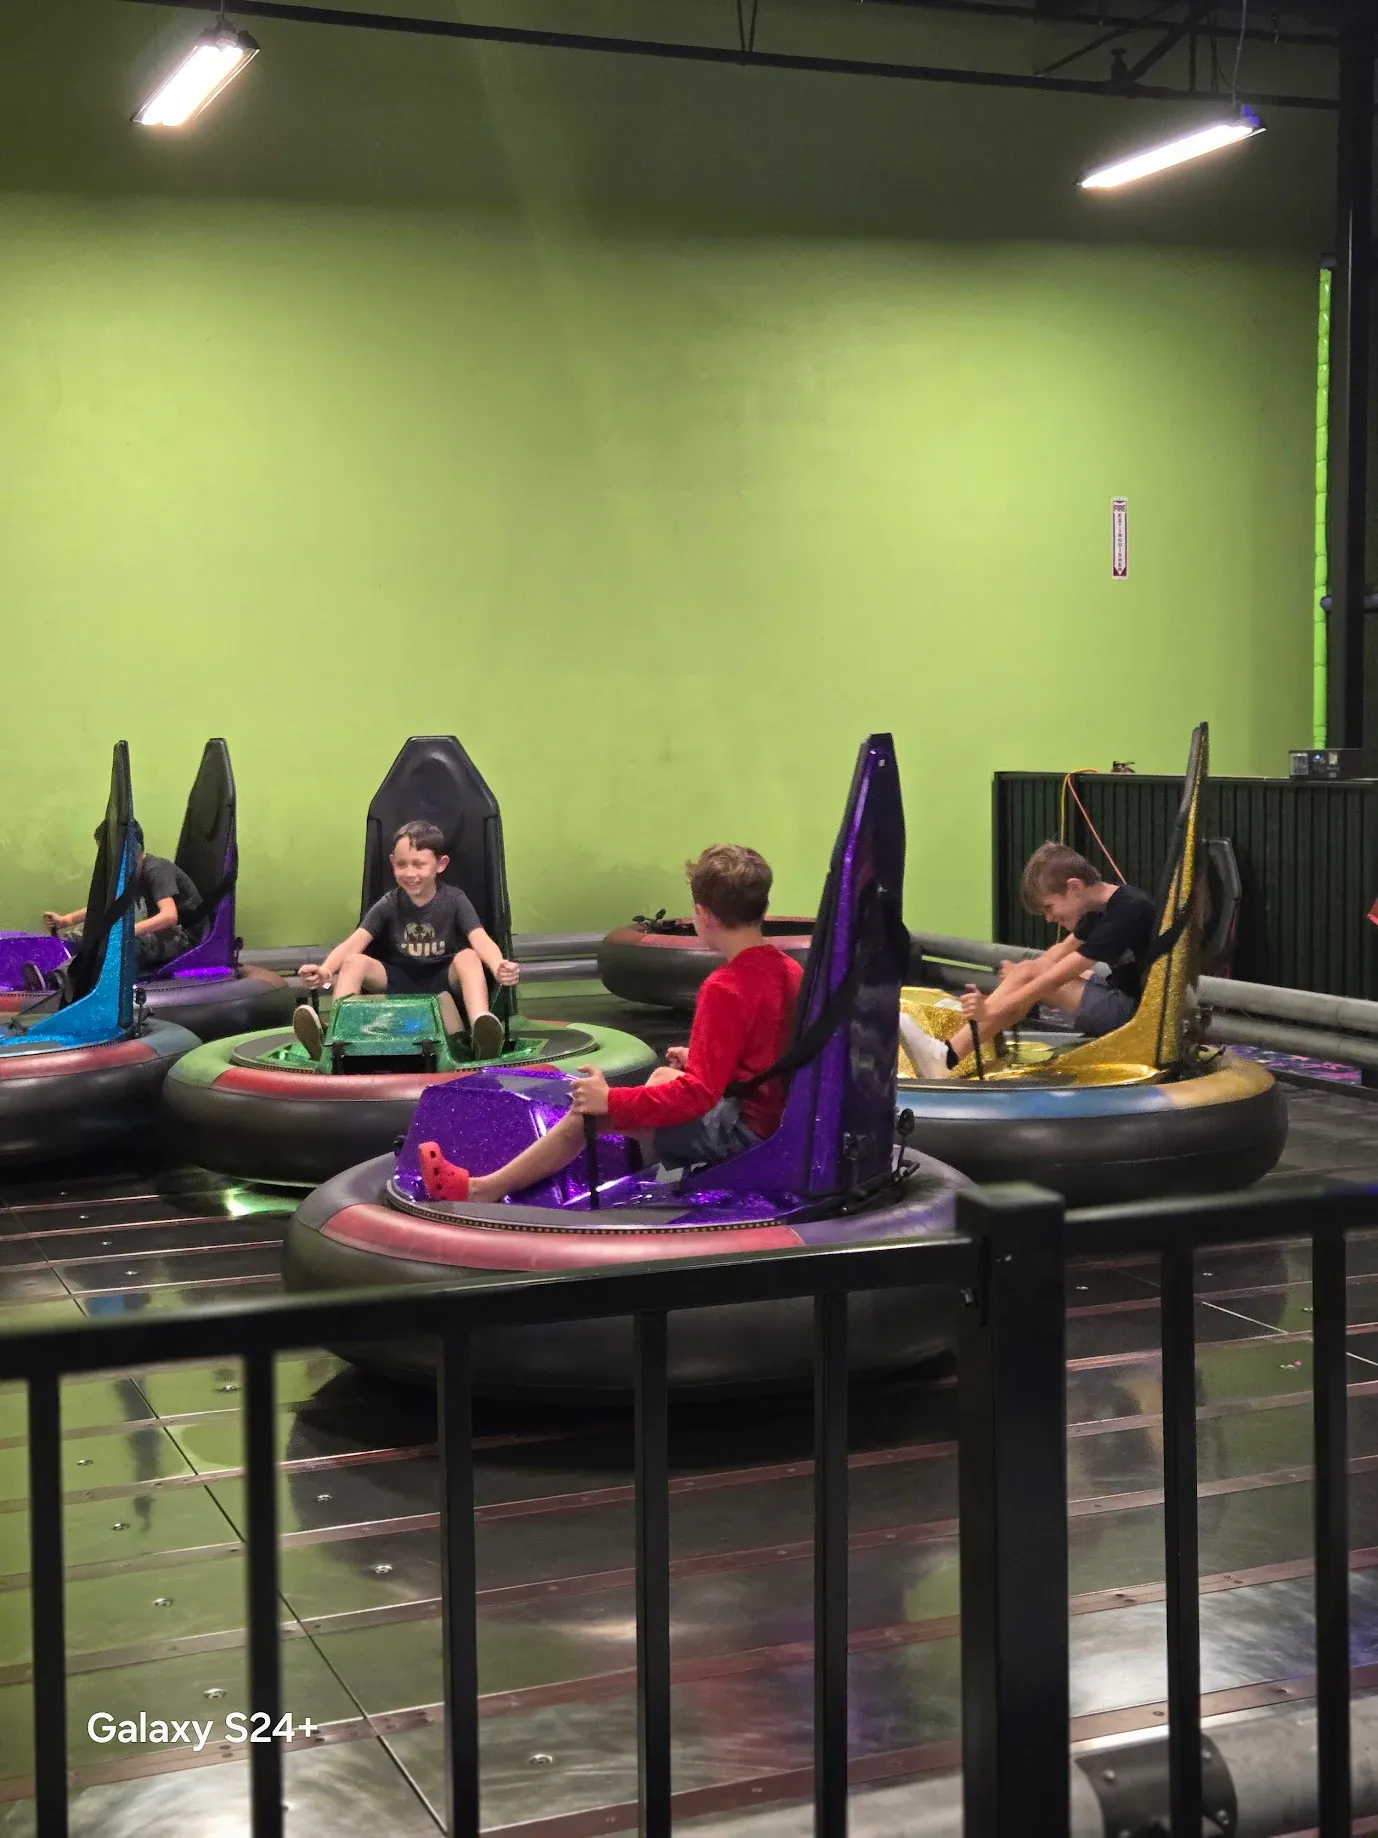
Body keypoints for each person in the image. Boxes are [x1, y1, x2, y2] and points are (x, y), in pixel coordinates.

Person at [418, 843, 802, 1203]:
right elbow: (771, 1051)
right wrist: (699, 1057)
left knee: (591, 1112)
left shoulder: (724, 987)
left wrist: (610, 1100)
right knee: (662, 1079)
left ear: (701, 914)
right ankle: (651, 1184)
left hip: (746, 1133)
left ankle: (480, 1189)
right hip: (774, 1119)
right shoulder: (788, 969)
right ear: (762, 906)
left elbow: (697, 1096)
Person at [903, 842, 1156, 1081]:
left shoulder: (1128, 912)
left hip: (1137, 1014)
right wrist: (1017, 974)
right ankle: (956, 1047)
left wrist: (991, 1009)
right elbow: (1053, 957)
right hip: (1122, 992)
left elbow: (1052, 979)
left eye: (1049, 907)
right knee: (1026, 972)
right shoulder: (1099, 907)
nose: (1048, 918)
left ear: (1074, 887)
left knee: (1031, 979)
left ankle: (947, 1056)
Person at [293, 818, 518, 1061]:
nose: (410, 873)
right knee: (354, 962)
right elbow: (354, 942)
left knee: (469, 956)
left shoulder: (454, 900)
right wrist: (326, 971)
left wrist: (498, 966)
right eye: (401, 865)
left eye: (419, 864)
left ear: (440, 865)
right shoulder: (389, 903)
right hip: (400, 978)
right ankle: (335, 1038)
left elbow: (480, 939)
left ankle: (481, 1033)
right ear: (392, 863)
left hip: (442, 979)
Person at [34, 821, 208, 979]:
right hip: (167, 933)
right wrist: (66, 920)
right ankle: (49, 959)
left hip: (184, 938)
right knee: (95, 928)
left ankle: (59, 977)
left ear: (131, 852)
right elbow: (108, 908)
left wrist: (128, 930)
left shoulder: (156, 870)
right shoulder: (134, 873)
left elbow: (170, 916)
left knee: (122, 942)